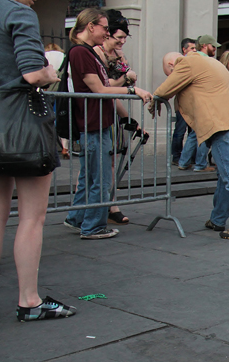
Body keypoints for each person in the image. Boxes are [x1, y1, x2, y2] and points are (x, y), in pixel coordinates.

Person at [0, 0, 77, 322]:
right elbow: (33, 73)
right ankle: (29, 301)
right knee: (31, 218)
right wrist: (51, 71)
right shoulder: (17, 12)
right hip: (23, 124)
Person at [63, 8, 151, 240]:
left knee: (90, 176)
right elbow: (100, 90)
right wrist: (132, 89)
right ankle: (92, 226)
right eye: (104, 27)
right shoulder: (81, 52)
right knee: (100, 178)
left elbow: (104, 89)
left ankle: (76, 218)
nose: (107, 32)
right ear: (91, 26)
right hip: (92, 123)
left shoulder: (86, 52)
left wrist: (124, 117)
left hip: (95, 122)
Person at [152, 50, 229, 239]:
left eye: (170, 73)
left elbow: (164, 90)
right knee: (226, 175)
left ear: (171, 66)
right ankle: (218, 219)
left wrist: (154, 99)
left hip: (223, 125)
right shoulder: (209, 63)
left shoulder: (186, 63)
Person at [94, 9, 137, 226]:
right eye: (119, 37)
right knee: (93, 164)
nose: (122, 41)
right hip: (97, 112)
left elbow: (122, 87)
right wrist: (125, 79)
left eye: (124, 38)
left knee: (110, 162)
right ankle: (87, 207)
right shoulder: (97, 53)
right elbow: (105, 87)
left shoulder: (119, 55)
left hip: (113, 110)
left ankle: (110, 205)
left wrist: (127, 118)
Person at [176, 35, 218, 173]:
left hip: (197, 102)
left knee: (195, 133)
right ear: (205, 45)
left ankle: (184, 161)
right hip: (203, 102)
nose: (215, 49)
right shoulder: (202, 61)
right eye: (213, 46)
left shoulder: (194, 60)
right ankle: (200, 164)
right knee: (204, 133)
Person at [171, 38, 196, 165]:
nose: (194, 50)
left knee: (193, 132)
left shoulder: (195, 64)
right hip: (182, 105)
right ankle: (176, 156)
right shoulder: (180, 64)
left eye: (195, 48)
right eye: (191, 48)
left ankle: (190, 157)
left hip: (193, 105)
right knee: (180, 131)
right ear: (184, 49)